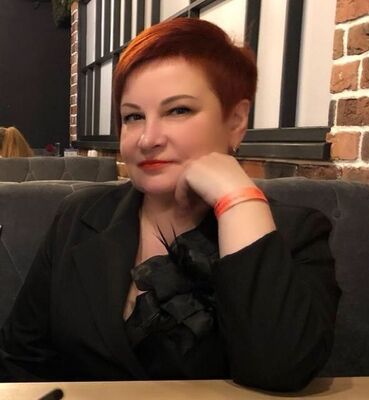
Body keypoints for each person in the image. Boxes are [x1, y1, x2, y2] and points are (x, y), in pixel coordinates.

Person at [0, 18, 340, 391]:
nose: (148, 139)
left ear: (235, 121)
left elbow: (281, 369)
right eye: (133, 117)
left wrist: (237, 198)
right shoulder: (79, 215)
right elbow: (21, 357)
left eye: (178, 110)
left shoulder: (296, 233)